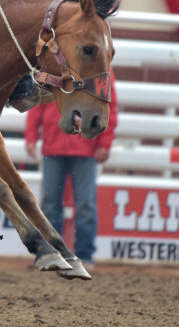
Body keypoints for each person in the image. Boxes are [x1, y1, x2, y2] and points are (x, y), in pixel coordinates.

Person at [25, 77, 117, 266]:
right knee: (59, 204)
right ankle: (56, 255)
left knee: (81, 204)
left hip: (81, 147)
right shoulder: (57, 64)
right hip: (62, 146)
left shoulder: (97, 68)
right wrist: (31, 135)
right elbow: (39, 100)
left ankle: (82, 256)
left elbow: (108, 105)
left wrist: (105, 143)